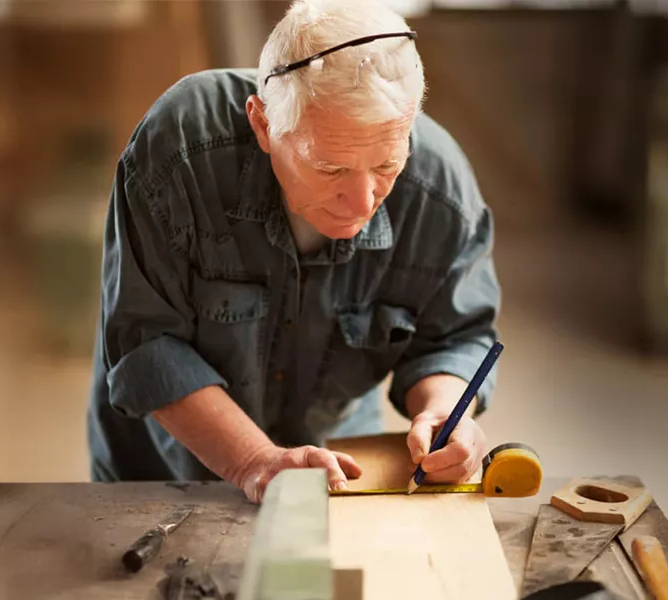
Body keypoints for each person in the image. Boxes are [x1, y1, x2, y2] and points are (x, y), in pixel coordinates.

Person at [86, 0, 501, 503]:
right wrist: (252, 460)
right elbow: (144, 340)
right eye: (331, 169)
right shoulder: (180, 151)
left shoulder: (443, 194)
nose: (364, 200)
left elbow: (455, 337)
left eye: (387, 167)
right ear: (262, 124)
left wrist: (444, 409)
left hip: (337, 466)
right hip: (170, 468)